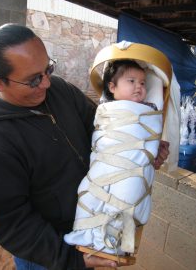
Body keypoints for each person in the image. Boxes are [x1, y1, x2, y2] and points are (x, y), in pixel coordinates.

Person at [0, 24, 169, 270]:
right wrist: (71, 259)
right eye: (33, 80)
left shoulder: (60, 90)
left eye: (48, 70)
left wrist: (139, 147)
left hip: (89, 231)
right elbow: (12, 224)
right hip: (49, 255)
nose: (45, 83)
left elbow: (105, 131)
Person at [64, 59, 167, 256]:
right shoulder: (105, 110)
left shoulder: (149, 111)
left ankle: (113, 242)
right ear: (112, 87)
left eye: (143, 83)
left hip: (131, 168)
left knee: (127, 197)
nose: (139, 87)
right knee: (87, 191)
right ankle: (84, 233)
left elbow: (152, 138)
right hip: (103, 164)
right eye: (131, 81)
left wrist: (156, 147)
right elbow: (99, 136)